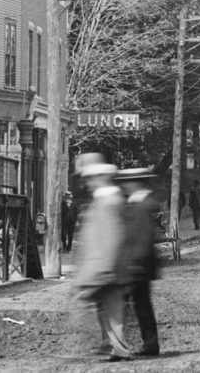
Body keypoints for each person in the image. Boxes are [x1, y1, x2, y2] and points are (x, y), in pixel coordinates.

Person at [72, 152, 132, 362]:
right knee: (109, 309)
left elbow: (111, 237)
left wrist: (104, 269)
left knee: (108, 309)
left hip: (104, 267)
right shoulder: (106, 199)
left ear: (101, 177)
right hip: (103, 267)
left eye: (90, 178)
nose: (87, 183)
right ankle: (112, 346)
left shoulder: (108, 201)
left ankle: (115, 348)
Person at [116, 167, 161, 357]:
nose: (124, 186)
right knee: (141, 305)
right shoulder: (140, 202)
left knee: (123, 305)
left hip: (137, 264)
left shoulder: (142, 205)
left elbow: (143, 236)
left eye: (126, 182)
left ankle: (117, 346)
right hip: (139, 264)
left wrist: (134, 262)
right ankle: (149, 344)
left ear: (135, 183)